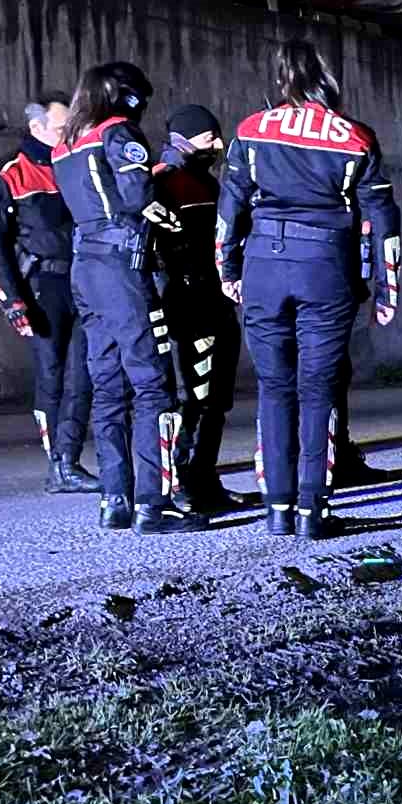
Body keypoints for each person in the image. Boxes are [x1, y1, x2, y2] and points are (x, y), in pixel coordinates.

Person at [217, 40, 400, 539]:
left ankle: (276, 508)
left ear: (279, 78)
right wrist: (387, 291)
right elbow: (383, 218)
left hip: (262, 266)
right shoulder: (354, 136)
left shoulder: (250, 132)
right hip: (325, 266)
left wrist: (227, 269)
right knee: (317, 390)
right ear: (325, 76)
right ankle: (311, 512)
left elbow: (229, 209)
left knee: (274, 388)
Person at [51, 63, 206, 534]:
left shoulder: (64, 146)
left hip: (85, 267)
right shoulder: (118, 133)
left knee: (108, 389)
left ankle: (114, 500)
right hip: (122, 268)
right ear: (126, 96)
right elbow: (138, 196)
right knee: (153, 386)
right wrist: (168, 169)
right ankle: (152, 506)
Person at [0, 90, 99, 495]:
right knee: (52, 374)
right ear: (36, 128)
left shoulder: (76, 164)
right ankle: (57, 464)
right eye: (62, 129)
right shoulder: (7, 175)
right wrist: (13, 302)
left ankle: (69, 460)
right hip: (42, 287)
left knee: (85, 373)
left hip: (83, 280)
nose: (69, 135)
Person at [150, 104, 243, 512]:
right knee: (194, 395)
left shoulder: (205, 183)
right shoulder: (164, 182)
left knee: (217, 397)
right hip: (186, 303)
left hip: (214, 298)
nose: (218, 145)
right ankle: (184, 480)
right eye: (209, 138)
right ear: (183, 141)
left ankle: (205, 476)